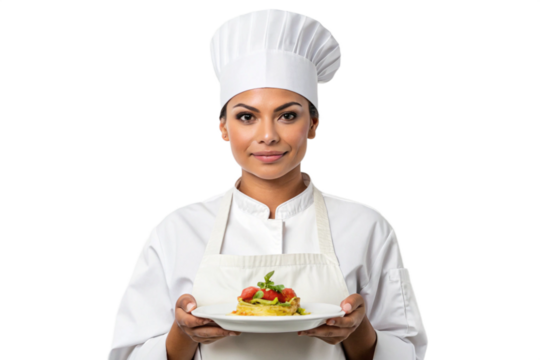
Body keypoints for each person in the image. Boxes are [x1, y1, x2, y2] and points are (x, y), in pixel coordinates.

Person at [107, 7, 428, 360]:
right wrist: (182, 334)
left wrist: (357, 330)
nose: (268, 136)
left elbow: (409, 352)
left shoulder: (366, 226)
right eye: (247, 116)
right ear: (224, 128)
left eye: (287, 115)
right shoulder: (177, 229)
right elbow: (127, 355)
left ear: (313, 125)